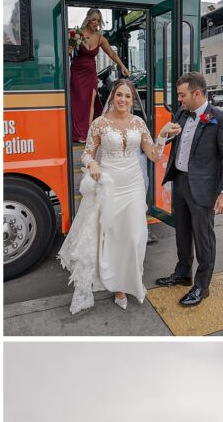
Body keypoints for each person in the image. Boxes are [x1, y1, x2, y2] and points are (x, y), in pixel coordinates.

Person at [58, 80, 179, 312]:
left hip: (133, 185)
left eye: (128, 96)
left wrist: (162, 134)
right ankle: (120, 286)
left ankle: (133, 277)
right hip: (110, 184)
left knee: (136, 236)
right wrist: (92, 163)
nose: (123, 100)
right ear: (113, 96)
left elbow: (153, 155)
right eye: (119, 95)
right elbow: (85, 154)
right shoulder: (99, 124)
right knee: (114, 237)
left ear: (133, 100)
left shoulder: (139, 123)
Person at [155, 72, 223, 307]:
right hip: (180, 182)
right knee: (182, 233)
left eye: (182, 95)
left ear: (197, 93)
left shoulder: (220, 119)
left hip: (203, 188)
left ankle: (202, 286)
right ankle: (183, 273)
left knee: (204, 239)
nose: (179, 99)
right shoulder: (182, 113)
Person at [69, 7, 129, 143]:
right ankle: (77, 133)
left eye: (98, 20)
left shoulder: (100, 38)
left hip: (91, 74)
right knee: (78, 103)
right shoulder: (77, 33)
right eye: (94, 19)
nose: (96, 22)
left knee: (90, 102)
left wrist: (122, 66)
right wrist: (69, 48)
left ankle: (87, 133)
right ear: (88, 19)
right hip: (77, 73)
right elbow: (66, 50)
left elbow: (112, 54)